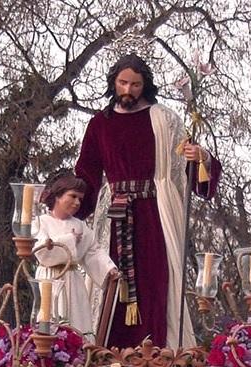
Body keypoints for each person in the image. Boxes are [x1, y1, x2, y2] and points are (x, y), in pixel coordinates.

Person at [75, 53, 221, 350]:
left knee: (156, 285)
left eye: (135, 84)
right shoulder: (100, 125)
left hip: (153, 217)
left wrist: (201, 158)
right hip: (113, 219)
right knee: (108, 282)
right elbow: (87, 176)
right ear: (113, 82)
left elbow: (187, 167)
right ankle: (106, 354)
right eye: (123, 83)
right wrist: (67, 205)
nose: (128, 90)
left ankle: (161, 355)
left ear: (146, 85)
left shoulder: (164, 119)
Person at [34, 173, 118, 339]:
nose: (77, 203)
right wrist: (70, 240)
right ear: (58, 196)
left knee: (78, 324)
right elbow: (42, 251)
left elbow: (92, 251)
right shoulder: (41, 222)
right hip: (49, 279)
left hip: (73, 280)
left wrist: (109, 269)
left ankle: (78, 358)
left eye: (80, 198)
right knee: (49, 323)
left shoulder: (79, 225)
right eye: (72, 196)